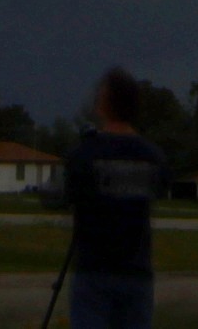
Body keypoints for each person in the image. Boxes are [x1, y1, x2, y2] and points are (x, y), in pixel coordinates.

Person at [59, 66, 165, 329]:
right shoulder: (153, 157)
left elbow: (66, 196)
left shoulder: (85, 154)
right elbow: (160, 189)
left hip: (94, 271)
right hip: (136, 273)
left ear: (103, 105)